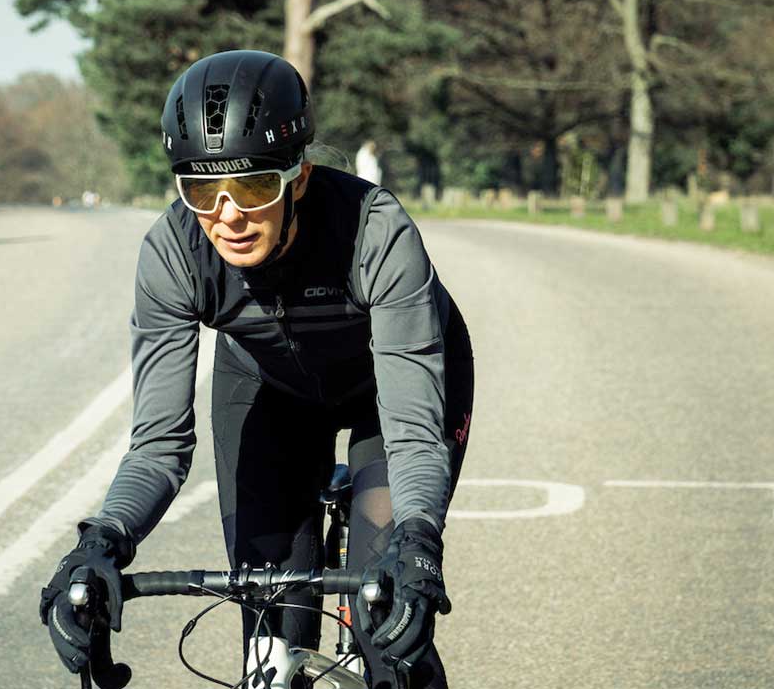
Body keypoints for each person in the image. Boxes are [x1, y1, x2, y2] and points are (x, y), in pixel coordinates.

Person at [40, 50, 474, 689]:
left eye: (251, 186)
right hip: (268, 392)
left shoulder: (376, 233)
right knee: (269, 646)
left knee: (389, 626)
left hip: (388, 400)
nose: (227, 215)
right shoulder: (173, 253)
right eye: (200, 189)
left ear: (298, 176)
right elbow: (158, 447)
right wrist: (101, 541)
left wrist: (418, 543)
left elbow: (411, 433)